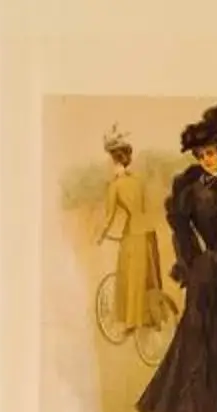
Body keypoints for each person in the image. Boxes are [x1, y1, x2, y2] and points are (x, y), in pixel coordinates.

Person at [136, 104, 217, 412]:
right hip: (204, 272)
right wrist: (191, 260)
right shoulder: (189, 188)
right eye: (202, 155)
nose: (208, 159)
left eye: (213, 153)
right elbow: (180, 229)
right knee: (200, 338)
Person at [94, 129, 162, 342]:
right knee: (148, 277)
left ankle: (132, 323)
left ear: (114, 161)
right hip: (149, 232)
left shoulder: (115, 186)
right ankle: (152, 318)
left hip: (132, 233)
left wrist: (100, 236)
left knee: (130, 278)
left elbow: (108, 217)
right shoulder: (138, 180)